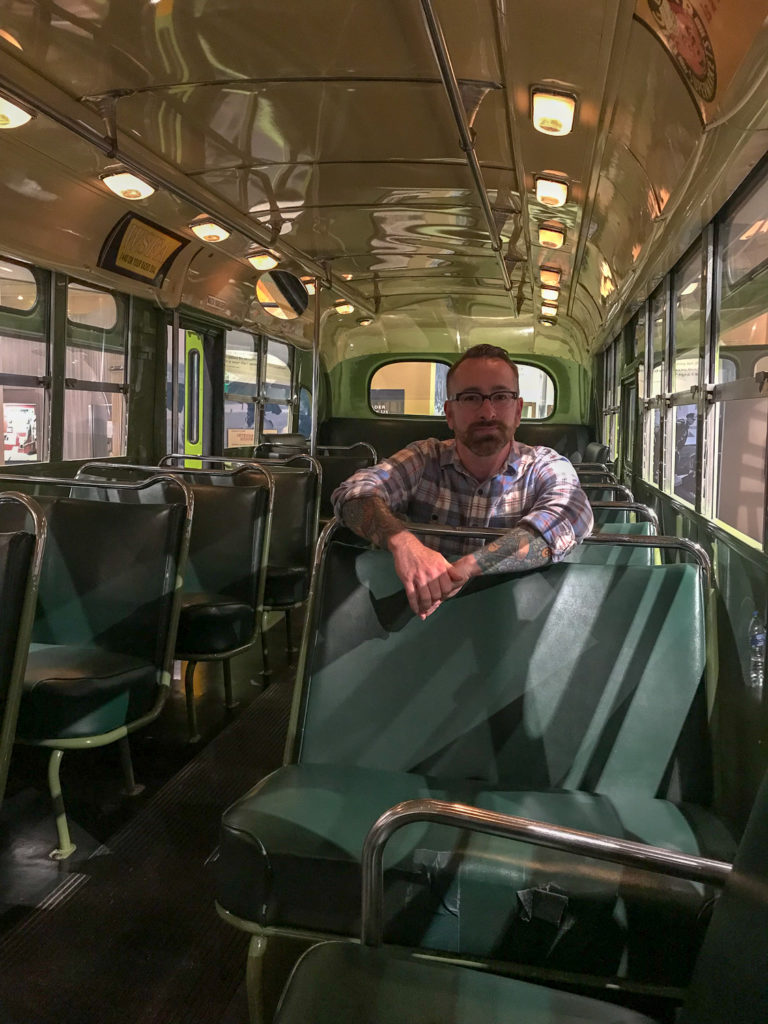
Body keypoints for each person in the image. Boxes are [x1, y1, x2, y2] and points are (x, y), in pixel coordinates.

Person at [332, 344, 594, 619]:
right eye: (470, 398)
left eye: (501, 396)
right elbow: (352, 493)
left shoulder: (544, 466)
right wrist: (404, 544)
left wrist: (468, 567)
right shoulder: (424, 458)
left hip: (514, 624)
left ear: (518, 411)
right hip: (420, 623)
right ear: (449, 413)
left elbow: (568, 516)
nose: (487, 412)